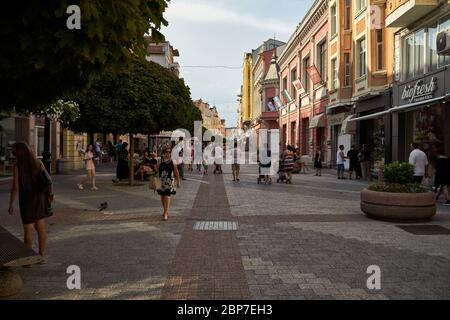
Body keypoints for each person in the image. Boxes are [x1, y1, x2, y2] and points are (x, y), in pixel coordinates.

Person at [8, 142, 53, 262]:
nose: (13, 153)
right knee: (41, 227)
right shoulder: (38, 163)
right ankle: (41, 255)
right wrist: (50, 195)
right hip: (39, 198)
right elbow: (48, 180)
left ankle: (27, 259)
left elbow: (15, 187)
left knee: (28, 229)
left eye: (14, 151)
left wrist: (11, 203)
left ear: (19, 153)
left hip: (26, 200)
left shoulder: (17, 166)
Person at [158, 146, 180, 221]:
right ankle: (165, 210)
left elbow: (176, 172)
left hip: (170, 181)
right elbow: (157, 170)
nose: (168, 153)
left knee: (167, 196)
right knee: (162, 196)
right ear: (163, 153)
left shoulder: (173, 162)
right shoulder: (160, 161)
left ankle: (166, 213)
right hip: (161, 181)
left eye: (169, 152)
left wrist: (178, 182)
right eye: (166, 152)